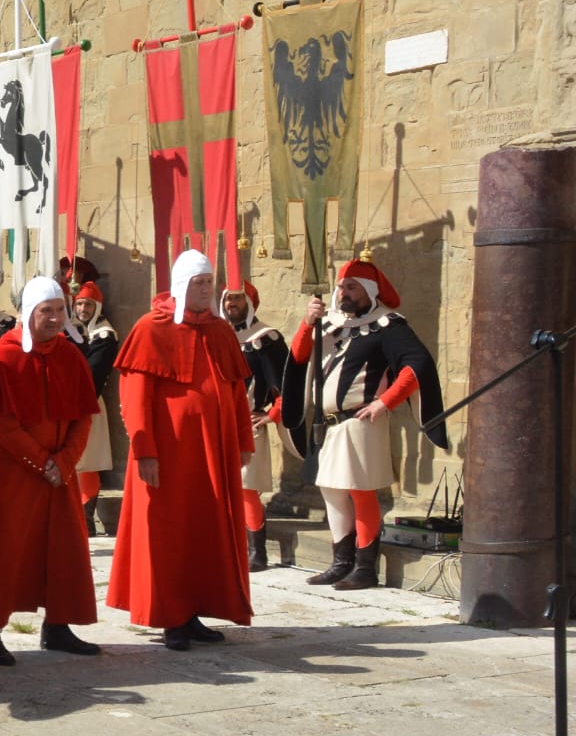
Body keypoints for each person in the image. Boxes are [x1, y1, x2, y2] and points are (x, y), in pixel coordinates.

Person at [106, 249, 253, 649]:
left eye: (209, 282)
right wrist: (145, 452)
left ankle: (191, 613)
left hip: (212, 453)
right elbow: (135, 398)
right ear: (181, 285)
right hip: (169, 454)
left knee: (203, 530)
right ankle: (169, 615)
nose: (206, 290)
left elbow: (237, 391)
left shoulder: (220, 331)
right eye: (198, 283)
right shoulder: (151, 329)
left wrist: (242, 441)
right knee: (167, 531)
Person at [280, 254, 447, 591]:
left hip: (360, 422)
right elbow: (298, 358)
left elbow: (417, 365)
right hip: (328, 425)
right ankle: (341, 563)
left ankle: (365, 567)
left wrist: (385, 403)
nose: (344, 292)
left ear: (369, 290)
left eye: (352, 287)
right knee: (332, 492)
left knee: (361, 492)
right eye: (342, 286)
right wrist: (306, 324)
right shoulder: (330, 323)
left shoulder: (389, 325)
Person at [0, 278, 103, 657]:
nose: (55, 318)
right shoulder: (1, 357)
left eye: (60, 310)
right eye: (47, 310)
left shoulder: (70, 356)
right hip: (13, 474)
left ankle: (57, 626)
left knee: (62, 549)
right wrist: (42, 462)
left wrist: (65, 462)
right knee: (4, 549)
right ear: (29, 313)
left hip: (58, 474)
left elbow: (83, 416)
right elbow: (0, 423)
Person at [223, 279, 289, 572]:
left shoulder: (267, 338)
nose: (230, 305)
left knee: (246, 488)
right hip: (218, 422)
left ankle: (256, 553)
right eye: (227, 299)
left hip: (249, 421)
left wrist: (272, 415)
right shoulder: (217, 336)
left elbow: (285, 386)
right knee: (223, 487)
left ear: (249, 303)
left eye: (236, 299)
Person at [72, 281, 122, 536]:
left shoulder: (104, 336)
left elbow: (92, 375)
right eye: (79, 303)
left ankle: (86, 519)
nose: (82, 308)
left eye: (87, 304)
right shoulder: (74, 330)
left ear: (97, 307)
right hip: (69, 403)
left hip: (88, 403)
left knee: (88, 462)